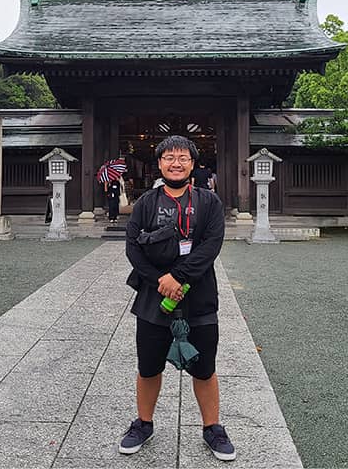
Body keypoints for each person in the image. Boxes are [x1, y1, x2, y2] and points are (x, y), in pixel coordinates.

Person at [121, 135, 235, 461]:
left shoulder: (209, 203)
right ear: (159, 163)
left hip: (198, 295)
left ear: (193, 164)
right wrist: (160, 280)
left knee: (205, 367)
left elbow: (211, 246)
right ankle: (143, 423)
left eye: (183, 157)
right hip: (154, 296)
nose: (176, 163)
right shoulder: (146, 203)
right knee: (148, 366)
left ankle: (212, 427)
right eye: (169, 157)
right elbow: (132, 247)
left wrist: (179, 277)